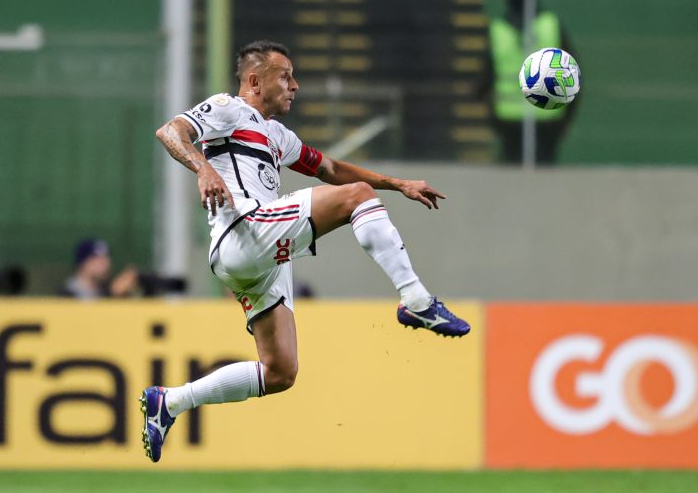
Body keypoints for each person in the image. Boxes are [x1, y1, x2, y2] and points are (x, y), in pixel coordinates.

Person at [140, 40, 470, 463]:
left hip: (260, 258)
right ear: (255, 81)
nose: (294, 85)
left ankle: (169, 402)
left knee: (280, 372)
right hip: (243, 230)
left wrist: (400, 183)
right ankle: (416, 299)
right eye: (285, 76)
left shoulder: (277, 135)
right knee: (357, 197)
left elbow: (330, 169)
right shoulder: (226, 107)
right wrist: (203, 167)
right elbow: (171, 131)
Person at [486, 0, 577, 164]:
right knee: (544, 175)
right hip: (547, 113)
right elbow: (571, 72)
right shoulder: (551, 25)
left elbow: (486, 75)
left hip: (508, 114)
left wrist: (490, 113)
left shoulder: (498, 30)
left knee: (512, 174)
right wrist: (569, 115)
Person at [59, 238, 139, 299]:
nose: (106, 264)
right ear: (83, 263)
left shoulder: (105, 291)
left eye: (106, 258)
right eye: (98, 259)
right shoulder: (66, 294)